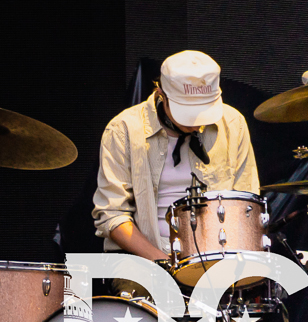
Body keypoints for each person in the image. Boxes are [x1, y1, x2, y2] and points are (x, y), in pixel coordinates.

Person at [93, 49, 258, 263]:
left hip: (218, 255)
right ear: (161, 94)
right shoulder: (123, 129)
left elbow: (246, 205)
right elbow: (112, 215)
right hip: (145, 259)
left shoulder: (233, 123)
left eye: (204, 110)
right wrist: (166, 263)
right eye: (189, 112)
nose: (198, 120)